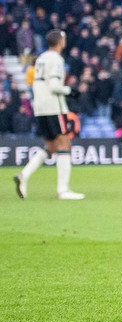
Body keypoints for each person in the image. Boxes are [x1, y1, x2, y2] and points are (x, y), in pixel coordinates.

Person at [14, 29, 83, 200]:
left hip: (40, 107)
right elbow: (53, 85)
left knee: (51, 147)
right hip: (54, 107)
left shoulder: (41, 58)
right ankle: (63, 190)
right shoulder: (56, 59)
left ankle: (24, 175)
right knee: (64, 143)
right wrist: (70, 91)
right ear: (60, 41)